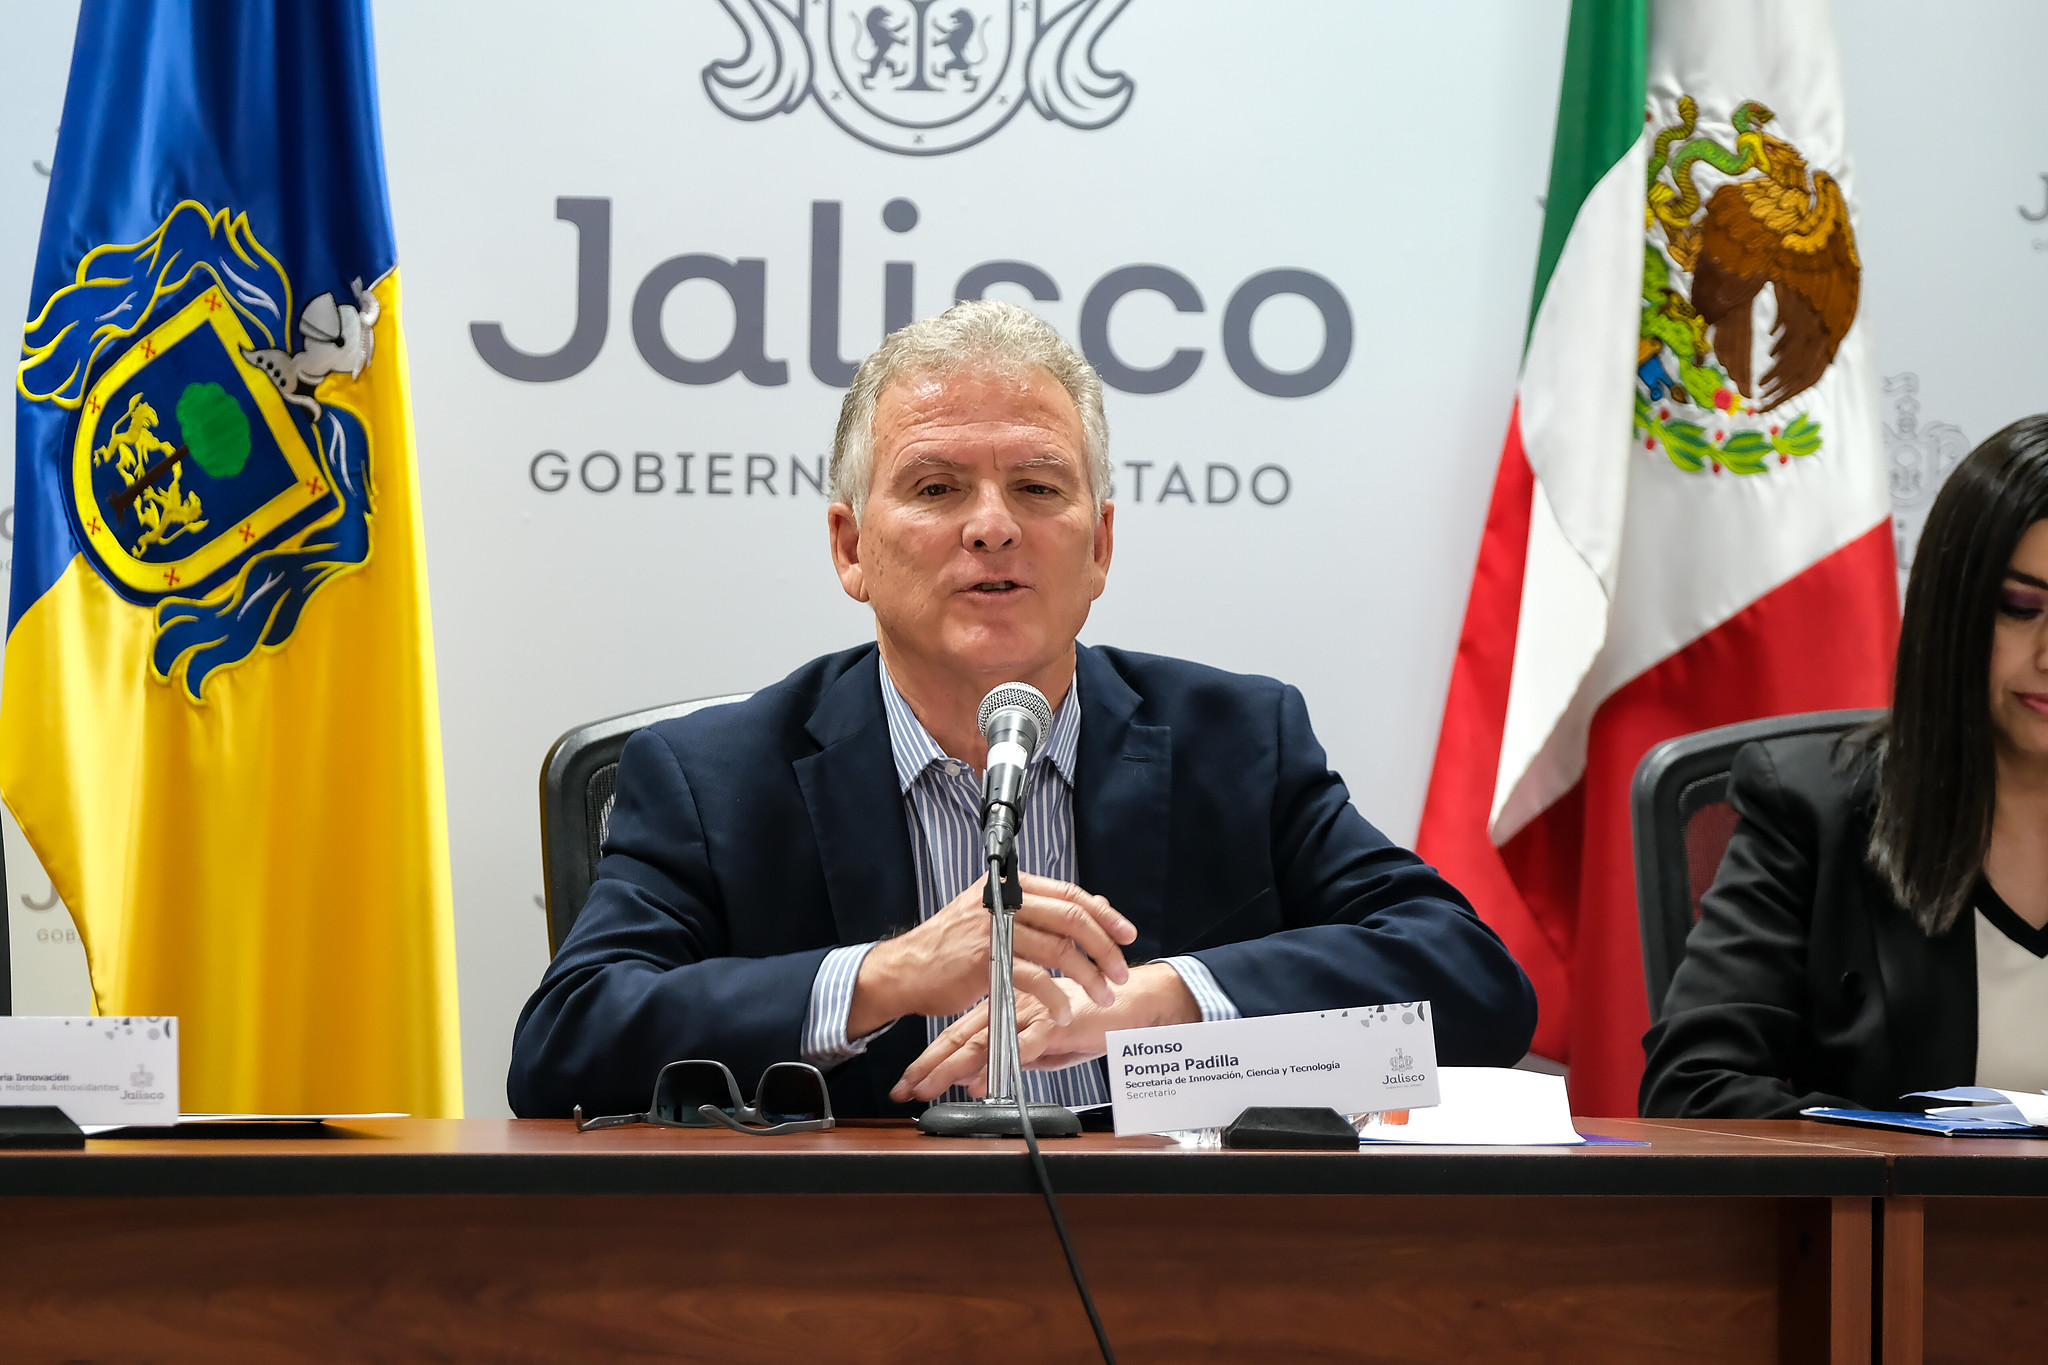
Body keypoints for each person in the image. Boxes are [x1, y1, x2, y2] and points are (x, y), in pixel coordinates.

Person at [509, 300, 1537, 1121]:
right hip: (838, 1269)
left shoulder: (1237, 744)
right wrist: (889, 975)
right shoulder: (713, 777)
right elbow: (564, 1047)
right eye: (936, 487)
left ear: (1100, 546)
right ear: (850, 548)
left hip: (1174, 1266)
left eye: (1039, 489)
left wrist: (1157, 1004)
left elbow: (1475, 987)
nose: (993, 528)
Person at [1641, 415, 2048, 1118]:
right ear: (1952, 611)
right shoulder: (1813, 808)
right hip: (1904, 1195)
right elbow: (1695, 1086)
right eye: (2020, 609)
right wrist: (1913, 1158)